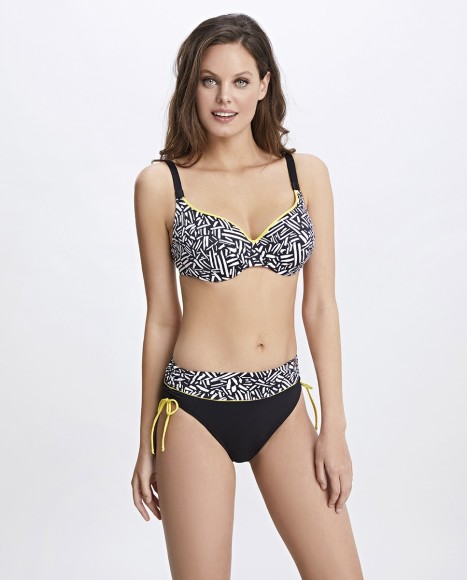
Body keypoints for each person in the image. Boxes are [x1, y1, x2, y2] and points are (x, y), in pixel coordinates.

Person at [131, 12, 364, 580]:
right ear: (191, 86)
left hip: (282, 403)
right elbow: (162, 318)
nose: (224, 98)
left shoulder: (306, 175)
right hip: (192, 408)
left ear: (264, 85)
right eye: (209, 80)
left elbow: (320, 306)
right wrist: (145, 443)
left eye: (240, 81)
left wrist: (334, 427)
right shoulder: (161, 184)